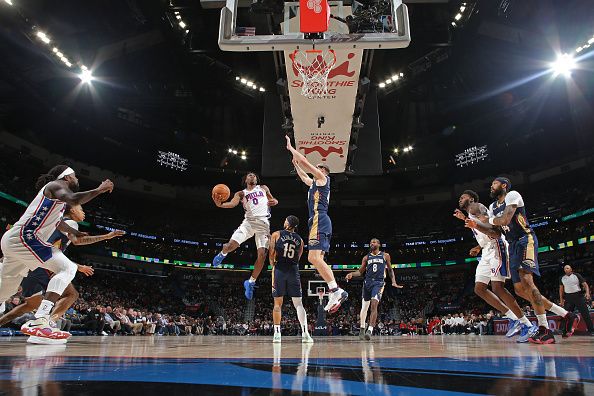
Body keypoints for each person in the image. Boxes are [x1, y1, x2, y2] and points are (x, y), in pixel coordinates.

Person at [0, 165, 114, 341]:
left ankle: (40, 319)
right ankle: (41, 320)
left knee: (5, 291)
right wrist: (99, 190)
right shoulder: (56, 185)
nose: (77, 179)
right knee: (68, 268)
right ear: (67, 177)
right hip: (26, 238)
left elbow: (57, 222)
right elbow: (74, 199)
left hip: (14, 241)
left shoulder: (57, 201)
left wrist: (75, 232)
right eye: (75, 176)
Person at [0, 204, 124, 329]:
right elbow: (78, 241)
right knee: (71, 294)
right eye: (81, 209)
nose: (83, 213)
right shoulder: (70, 222)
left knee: (31, 305)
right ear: (72, 210)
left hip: (31, 261)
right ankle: (47, 323)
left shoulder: (54, 221)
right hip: (45, 263)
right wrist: (107, 236)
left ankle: (3, 322)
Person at [485, 177, 578, 344]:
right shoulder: (492, 207)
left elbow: (505, 220)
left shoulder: (512, 195)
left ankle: (544, 329)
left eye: (494, 184)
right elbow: (497, 232)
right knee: (520, 290)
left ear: (503, 185)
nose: (491, 187)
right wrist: (475, 225)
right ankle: (566, 315)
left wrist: (489, 221)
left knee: (528, 281)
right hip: (512, 246)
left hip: (524, 239)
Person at [456, 190, 537, 343]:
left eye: (463, 196)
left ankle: (527, 324)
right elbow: (482, 231)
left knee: (498, 288)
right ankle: (513, 318)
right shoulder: (471, 214)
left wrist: (472, 223)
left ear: (471, 199)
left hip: (496, 247)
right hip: (487, 250)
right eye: (460, 197)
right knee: (479, 289)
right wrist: (478, 247)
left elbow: (495, 232)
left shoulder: (476, 207)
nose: (460, 198)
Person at [285, 136, 348, 313]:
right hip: (319, 221)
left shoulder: (322, 179)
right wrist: (295, 164)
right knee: (317, 259)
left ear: (323, 172)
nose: (316, 169)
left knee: (313, 258)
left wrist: (291, 149)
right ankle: (334, 290)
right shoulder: (314, 184)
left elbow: (305, 163)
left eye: (319, 168)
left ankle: (336, 290)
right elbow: (303, 175)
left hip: (319, 220)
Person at [211, 172, 278, 300]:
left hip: (263, 224)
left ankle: (250, 282)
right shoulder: (241, 193)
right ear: (245, 180)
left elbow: (273, 199)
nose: (252, 176)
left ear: (257, 179)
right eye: (249, 175)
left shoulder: (264, 188)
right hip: (248, 223)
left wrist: (274, 201)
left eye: (254, 175)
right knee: (229, 246)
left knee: (262, 256)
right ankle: (223, 253)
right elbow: (232, 203)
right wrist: (221, 205)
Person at [345, 238, 402, 341]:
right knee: (364, 308)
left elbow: (390, 269)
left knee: (374, 304)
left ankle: (370, 330)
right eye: (371, 242)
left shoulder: (385, 256)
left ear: (379, 244)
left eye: (374, 242)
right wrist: (351, 274)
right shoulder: (366, 258)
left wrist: (393, 281)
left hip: (379, 283)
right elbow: (360, 272)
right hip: (367, 283)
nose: (372, 243)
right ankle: (362, 328)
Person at [269, 215, 313, 343]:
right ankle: (305, 333)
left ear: (288, 223)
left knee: (277, 304)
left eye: (285, 220)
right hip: (293, 271)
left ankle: (277, 334)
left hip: (280, 269)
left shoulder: (276, 234)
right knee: (299, 304)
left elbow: (271, 253)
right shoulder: (300, 240)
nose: (284, 221)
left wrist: (273, 265)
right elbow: (298, 258)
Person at [559, 264, 593, 336]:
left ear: (571, 269)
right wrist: (561, 300)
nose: (566, 270)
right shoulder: (562, 278)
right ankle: (564, 331)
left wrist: (587, 293)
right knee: (566, 314)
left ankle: (591, 330)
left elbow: (585, 285)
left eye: (567, 268)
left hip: (578, 296)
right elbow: (561, 290)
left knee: (585, 314)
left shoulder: (577, 275)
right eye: (565, 269)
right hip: (568, 297)